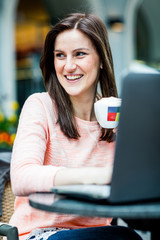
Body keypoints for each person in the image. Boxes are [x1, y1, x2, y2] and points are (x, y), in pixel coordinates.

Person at [9, 13, 142, 240]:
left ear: (101, 59)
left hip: (96, 234)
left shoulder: (116, 117)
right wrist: (98, 176)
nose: (69, 66)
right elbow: (22, 177)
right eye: (60, 55)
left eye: (79, 54)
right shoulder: (40, 106)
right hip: (39, 234)